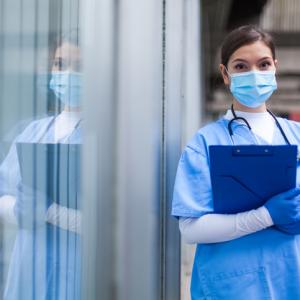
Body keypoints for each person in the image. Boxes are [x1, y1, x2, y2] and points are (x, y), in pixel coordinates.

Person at [172, 25, 300, 299]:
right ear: (225, 74)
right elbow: (191, 229)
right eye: (241, 66)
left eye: (263, 64)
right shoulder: (205, 143)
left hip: (290, 278)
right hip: (231, 286)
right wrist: (265, 216)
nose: (254, 74)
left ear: (275, 68)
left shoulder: (296, 137)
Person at [0, 30, 82, 300]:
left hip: (79, 273)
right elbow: (3, 192)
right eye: (60, 64)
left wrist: (50, 212)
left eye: (79, 67)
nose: (67, 74)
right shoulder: (31, 132)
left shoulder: (103, 140)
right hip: (27, 271)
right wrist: (18, 210)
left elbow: (109, 222)